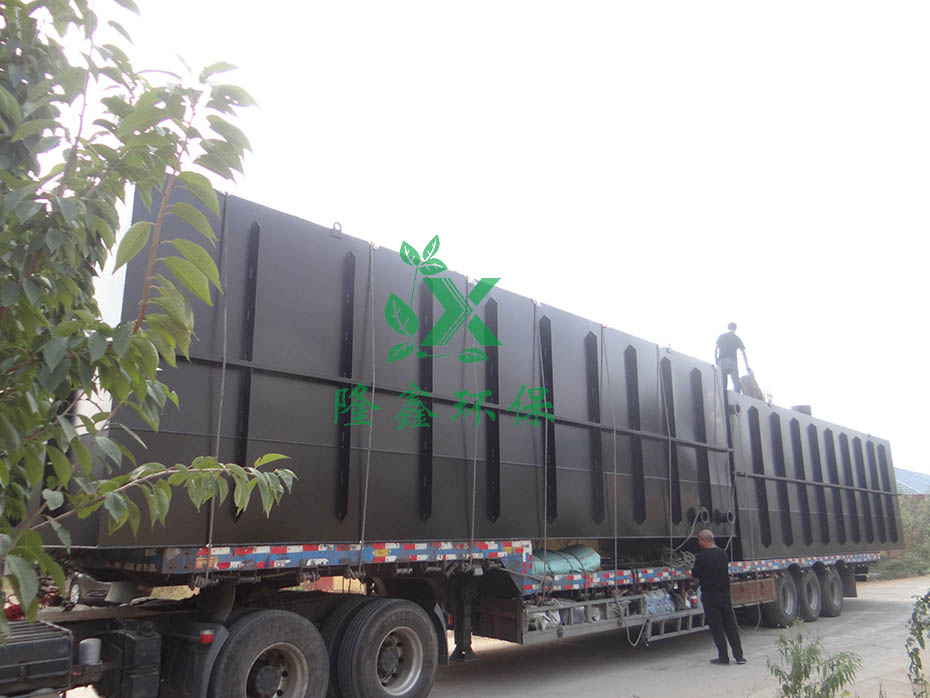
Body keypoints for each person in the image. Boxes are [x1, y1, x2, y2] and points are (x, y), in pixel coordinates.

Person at [690, 529, 746, 665]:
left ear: (703, 540)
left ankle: (723, 657)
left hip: (710, 595)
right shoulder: (723, 554)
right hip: (725, 594)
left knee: (717, 627)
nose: (698, 543)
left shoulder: (701, 557)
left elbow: (695, 573)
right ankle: (739, 656)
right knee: (730, 625)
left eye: (699, 540)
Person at [715, 323, 748, 393]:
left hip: (721, 362)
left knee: (723, 385)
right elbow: (743, 352)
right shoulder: (736, 338)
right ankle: (737, 398)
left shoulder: (721, 336)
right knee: (736, 383)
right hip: (732, 361)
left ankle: (724, 398)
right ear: (735, 329)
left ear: (728, 328)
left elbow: (715, 349)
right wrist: (747, 366)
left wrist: (716, 361)